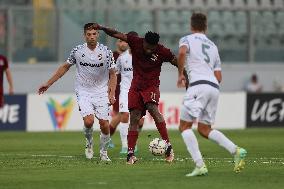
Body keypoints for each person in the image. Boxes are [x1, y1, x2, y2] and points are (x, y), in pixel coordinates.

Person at [177, 13, 247, 176]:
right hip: (213, 87)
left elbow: (181, 53)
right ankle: (236, 150)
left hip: (198, 86)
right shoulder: (213, 46)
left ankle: (200, 165)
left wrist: (180, 74)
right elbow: (219, 77)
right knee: (204, 128)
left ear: (191, 26)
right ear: (205, 27)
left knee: (184, 126)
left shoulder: (187, 39)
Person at [95, 23, 177, 164]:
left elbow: (177, 61)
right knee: (134, 117)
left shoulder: (163, 51)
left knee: (153, 108)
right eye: (147, 47)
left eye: (152, 48)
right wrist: (102, 28)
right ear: (143, 41)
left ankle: (168, 147)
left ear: (156, 46)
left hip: (151, 86)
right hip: (135, 87)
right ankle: (130, 153)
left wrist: (185, 75)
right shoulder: (135, 42)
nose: (148, 50)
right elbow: (117, 34)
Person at [38, 23, 117, 161]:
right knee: (89, 121)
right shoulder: (77, 51)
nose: (91, 37)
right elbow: (64, 67)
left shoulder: (106, 52)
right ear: (84, 35)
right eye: (89, 34)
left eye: (94, 34)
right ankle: (89, 143)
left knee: (104, 124)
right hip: (83, 90)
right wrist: (48, 83)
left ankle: (104, 153)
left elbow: (113, 74)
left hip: (101, 91)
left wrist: (111, 93)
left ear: (98, 35)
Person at [114, 31, 145, 154]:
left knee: (139, 120)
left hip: (139, 91)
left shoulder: (143, 57)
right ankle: (125, 146)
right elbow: (115, 74)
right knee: (125, 116)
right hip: (125, 90)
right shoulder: (122, 58)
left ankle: (133, 141)